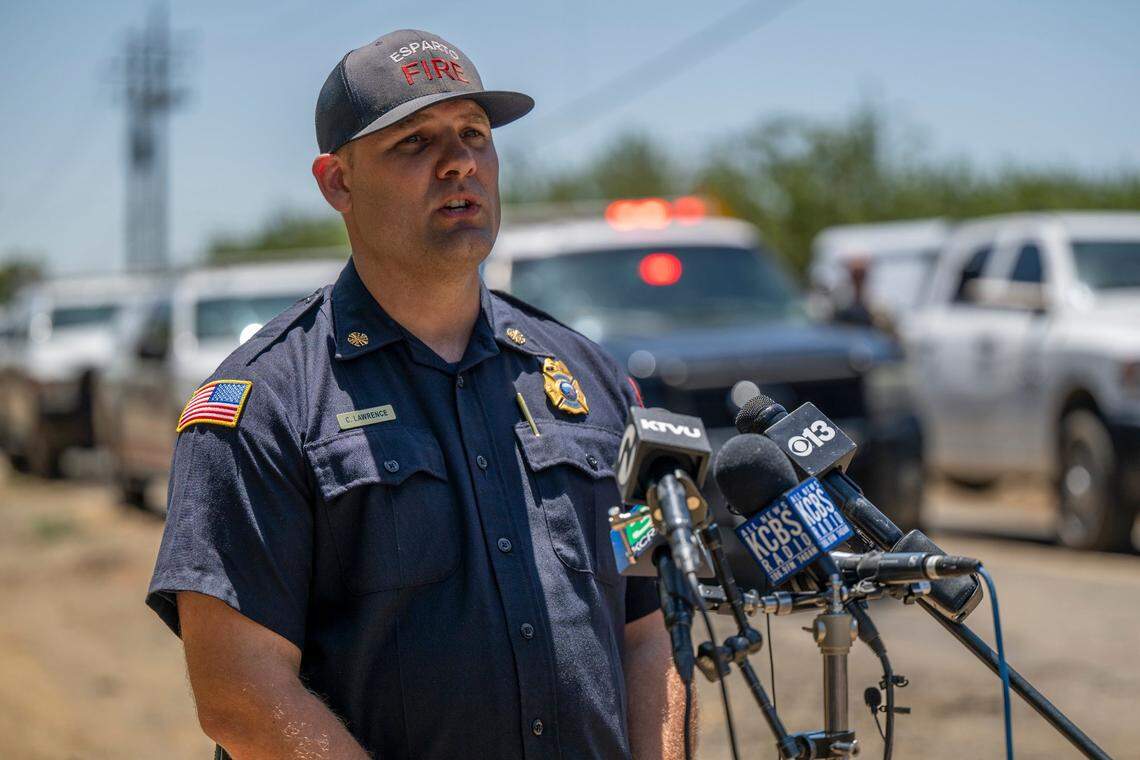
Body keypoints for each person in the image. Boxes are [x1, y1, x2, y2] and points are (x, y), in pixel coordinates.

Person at [147, 28, 691, 759]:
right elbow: (240, 696)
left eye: (473, 134)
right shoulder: (263, 404)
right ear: (338, 182)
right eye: (414, 142)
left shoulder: (589, 379)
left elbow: (648, 628)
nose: (459, 161)